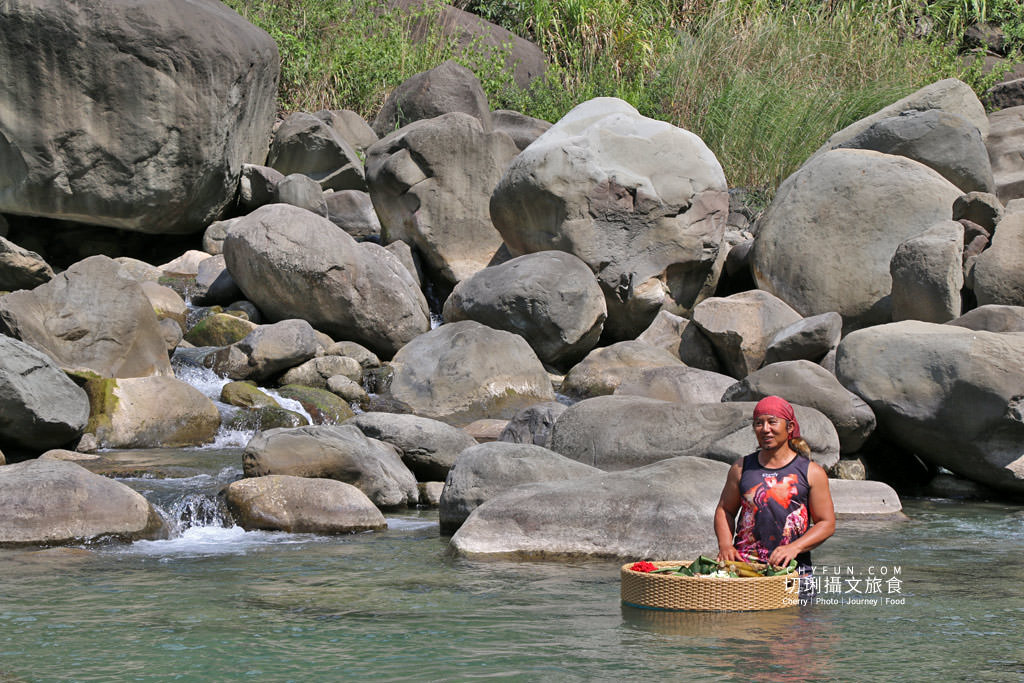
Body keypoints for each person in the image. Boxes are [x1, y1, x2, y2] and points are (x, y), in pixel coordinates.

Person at [714, 396, 835, 573]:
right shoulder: (741, 468)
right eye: (759, 423)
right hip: (744, 569)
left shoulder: (812, 472)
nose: (765, 429)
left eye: (772, 422)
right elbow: (725, 510)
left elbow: (826, 523)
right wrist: (725, 545)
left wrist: (794, 547)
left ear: (789, 427)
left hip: (793, 571)